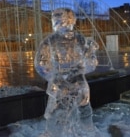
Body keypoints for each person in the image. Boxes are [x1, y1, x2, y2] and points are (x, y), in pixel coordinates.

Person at [34, 8, 100, 136]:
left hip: (74, 82)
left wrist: (91, 53)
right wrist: (55, 78)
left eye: (59, 19)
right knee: (61, 112)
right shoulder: (51, 41)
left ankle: (86, 131)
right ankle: (58, 133)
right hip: (64, 82)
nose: (57, 22)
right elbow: (40, 65)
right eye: (56, 18)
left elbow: (91, 65)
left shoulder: (79, 40)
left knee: (82, 109)